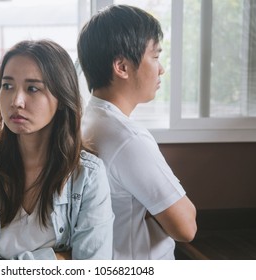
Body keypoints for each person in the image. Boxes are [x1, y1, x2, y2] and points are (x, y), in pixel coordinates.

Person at [0, 39, 114, 260]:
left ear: (61, 98)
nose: (16, 101)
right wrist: (56, 259)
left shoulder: (87, 176)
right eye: (7, 86)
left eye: (33, 88)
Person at [78, 5, 197, 260]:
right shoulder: (127, 138)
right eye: (155, 57)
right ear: (122, 66)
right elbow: (186, 227)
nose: (161, 68)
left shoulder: (87, 119)